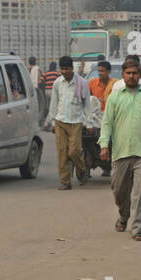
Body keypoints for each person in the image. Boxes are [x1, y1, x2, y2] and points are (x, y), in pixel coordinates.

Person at [99, 56, 141, 242]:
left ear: (140, 75)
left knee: (140, 192)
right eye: (128, 73)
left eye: (135, 73)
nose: (132, 76)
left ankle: (137, 227)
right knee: (119, 191)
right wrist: (104, 145)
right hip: (120, 152)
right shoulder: (115, 97)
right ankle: (124, 214)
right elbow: (107, 123)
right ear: (123, 75)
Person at [48, 55, 89, 190]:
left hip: (76, 121)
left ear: (72, 68)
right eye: (62, 69)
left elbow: (87, 105)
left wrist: (88, 123)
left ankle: (82, 170)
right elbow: (54, 103)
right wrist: (53, 122)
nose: (64, 72)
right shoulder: (57, 83)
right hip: (60, 121)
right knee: (62, 152)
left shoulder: (82, 83)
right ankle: (65, 181)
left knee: (74, 151)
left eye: (66, 69)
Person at [89, 60, 116, 176]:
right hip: (95, 118)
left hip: (109, 118)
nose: (100, 73)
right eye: (98, 71)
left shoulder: (115, 85)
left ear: (108, 72)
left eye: (102, 71)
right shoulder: (92, 83)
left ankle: (108, 165)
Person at [38, 61, 61, 126]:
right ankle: (46, 123)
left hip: (46, 91)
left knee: (48, 107)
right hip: (53, 91)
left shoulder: (46, 73)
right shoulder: (57, 73)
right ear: (55, 67)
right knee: (53, 107)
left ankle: (48, 122)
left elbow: (40, 82)